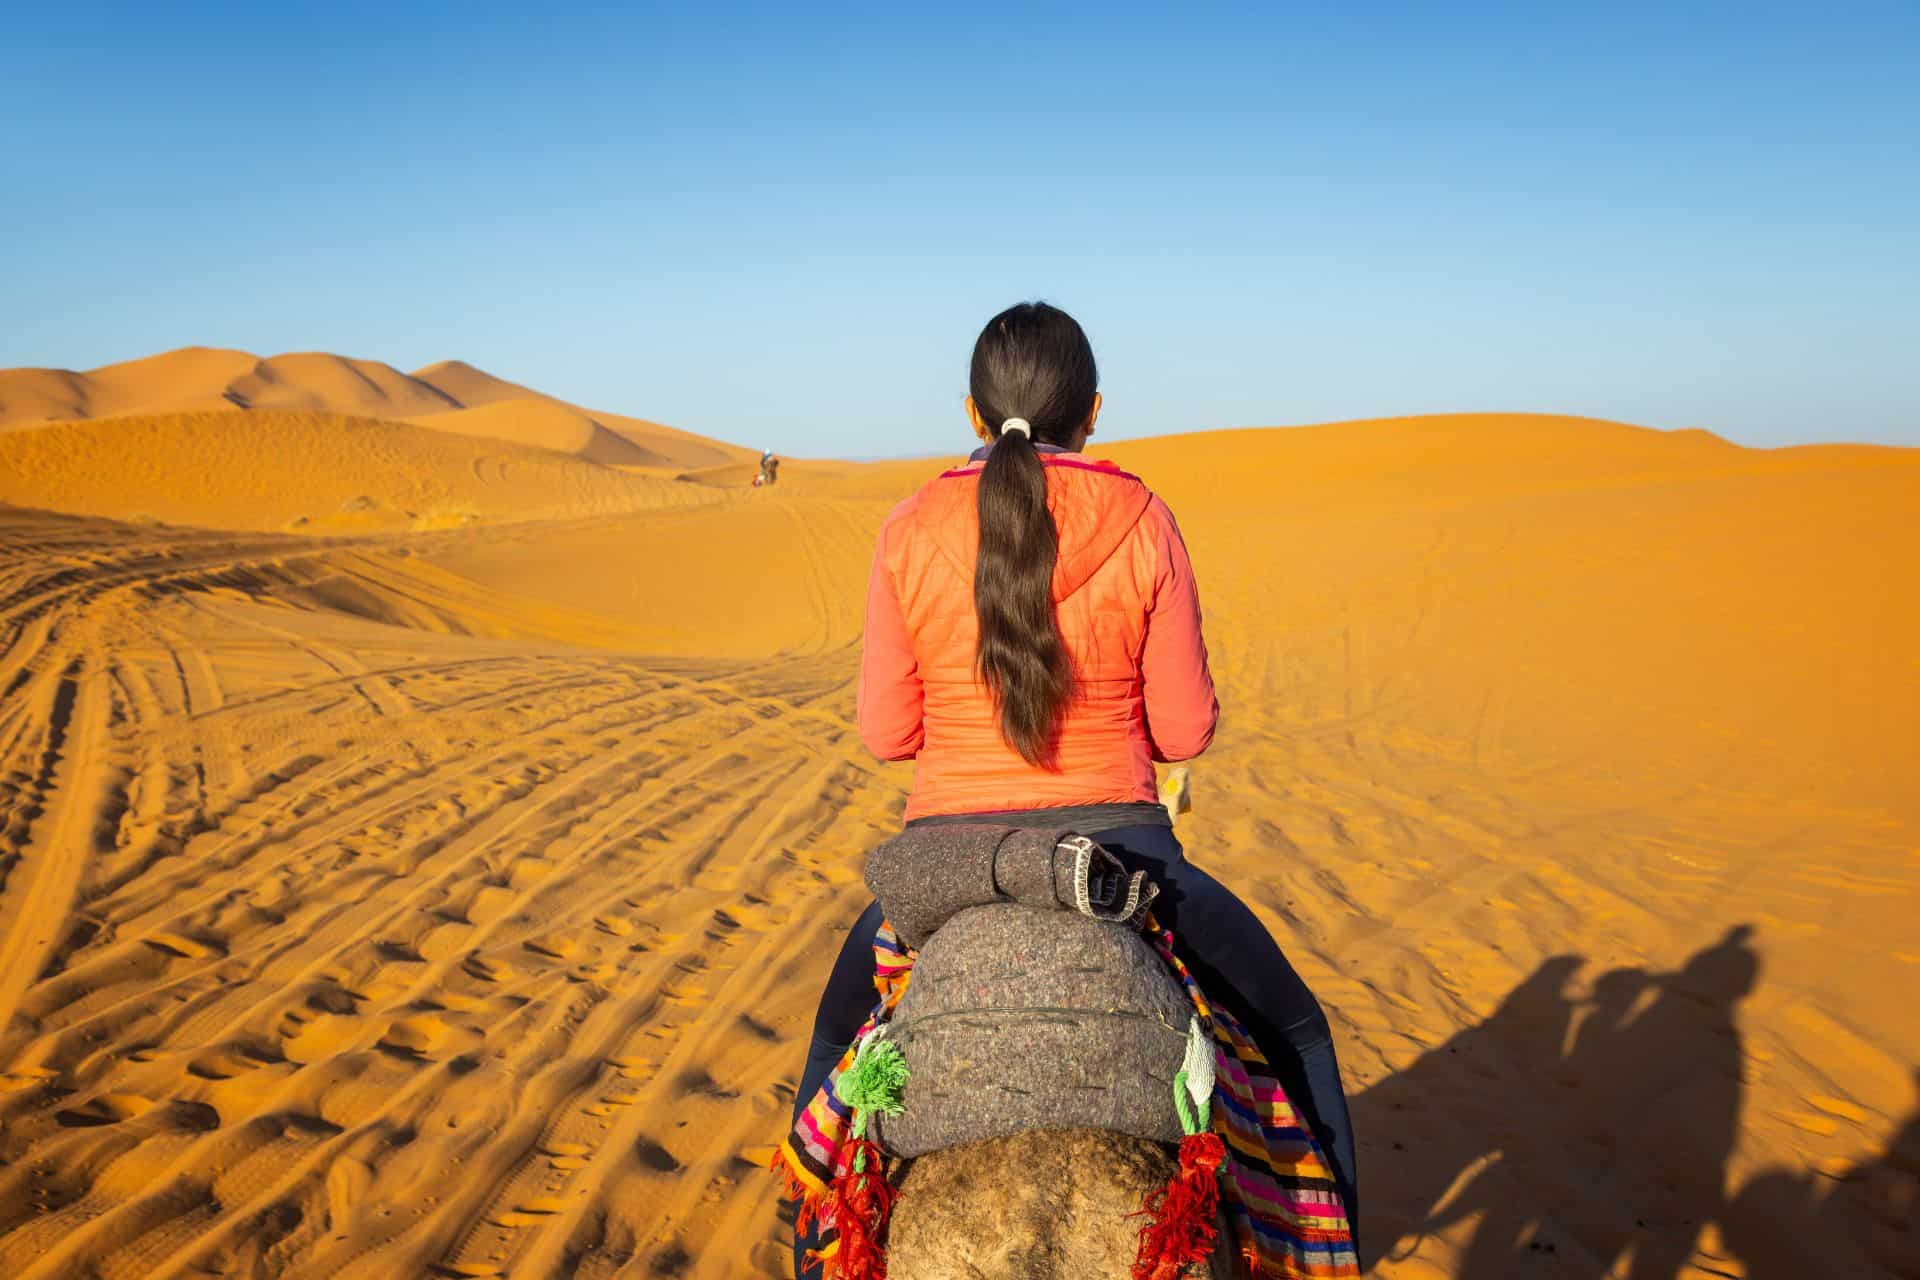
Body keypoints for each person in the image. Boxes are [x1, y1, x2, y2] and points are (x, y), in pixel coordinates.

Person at [790, 302, 1358, 1272]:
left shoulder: (906, 528)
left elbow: (886, 732)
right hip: (1125, 859)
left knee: (832, 1059)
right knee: (1297, 1034)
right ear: (1092, 411)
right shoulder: (1144, 518)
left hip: (943, 868)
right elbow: (1185, 731)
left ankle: (809, 1252)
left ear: (972, 413)